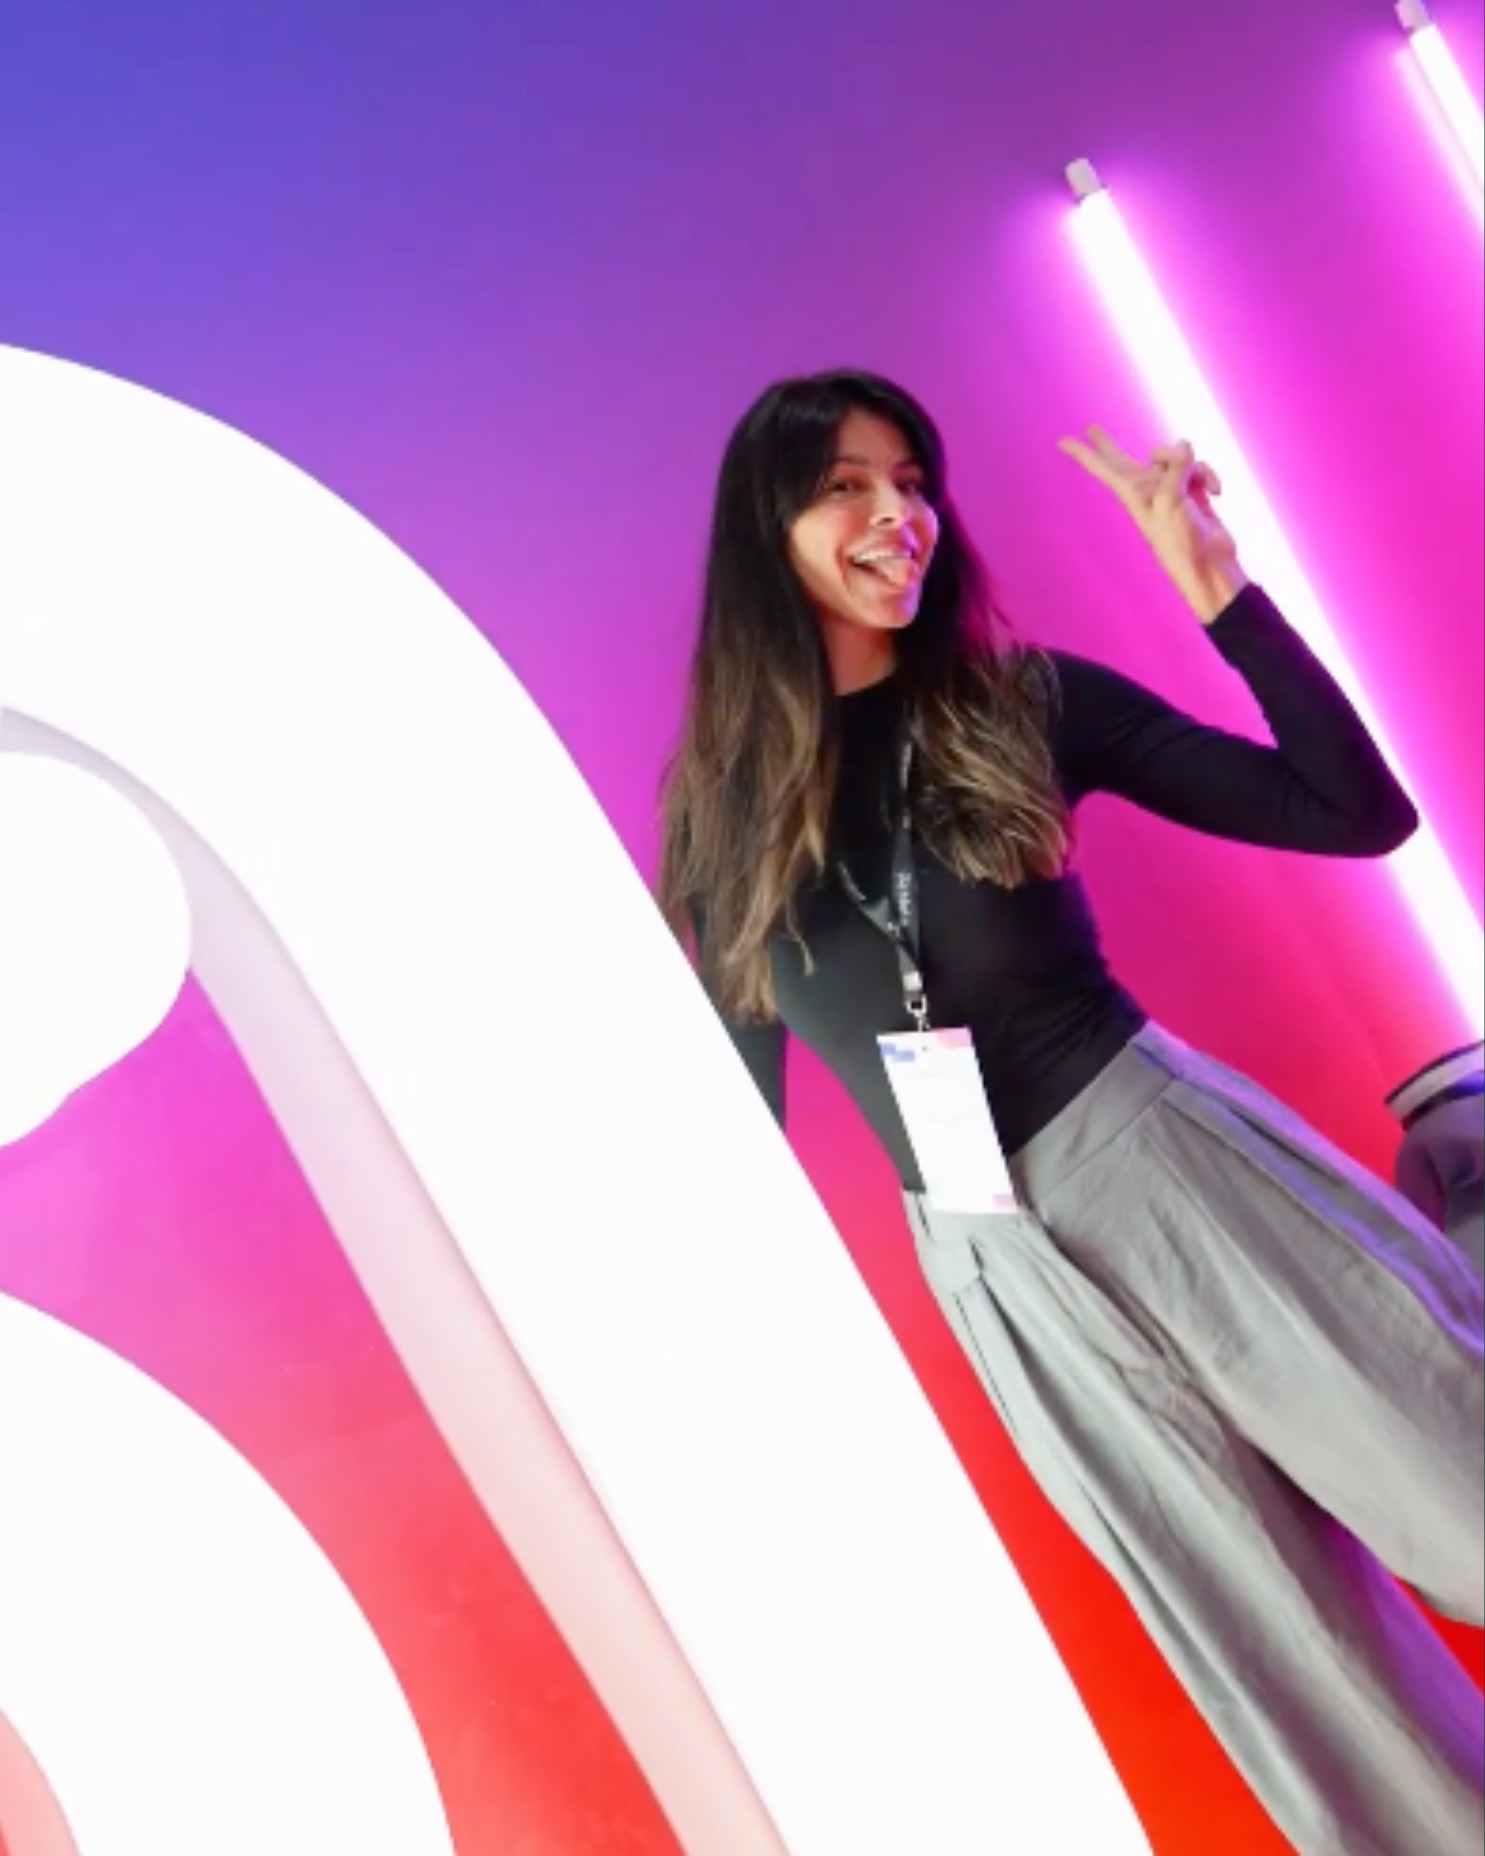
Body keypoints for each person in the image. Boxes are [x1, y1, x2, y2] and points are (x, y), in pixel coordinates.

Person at [658, 369, 1485, 1856]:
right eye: (847, 484)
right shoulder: (718, 825)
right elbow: (734, 1133)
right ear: (765, 526)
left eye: (911, 480)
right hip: (992, 1274)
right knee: (1293, 1680)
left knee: (1462, 1486)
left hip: (1162, 1161)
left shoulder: (1020, 703)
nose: (895, 514)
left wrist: (1221, 595)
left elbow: (1355, 816)